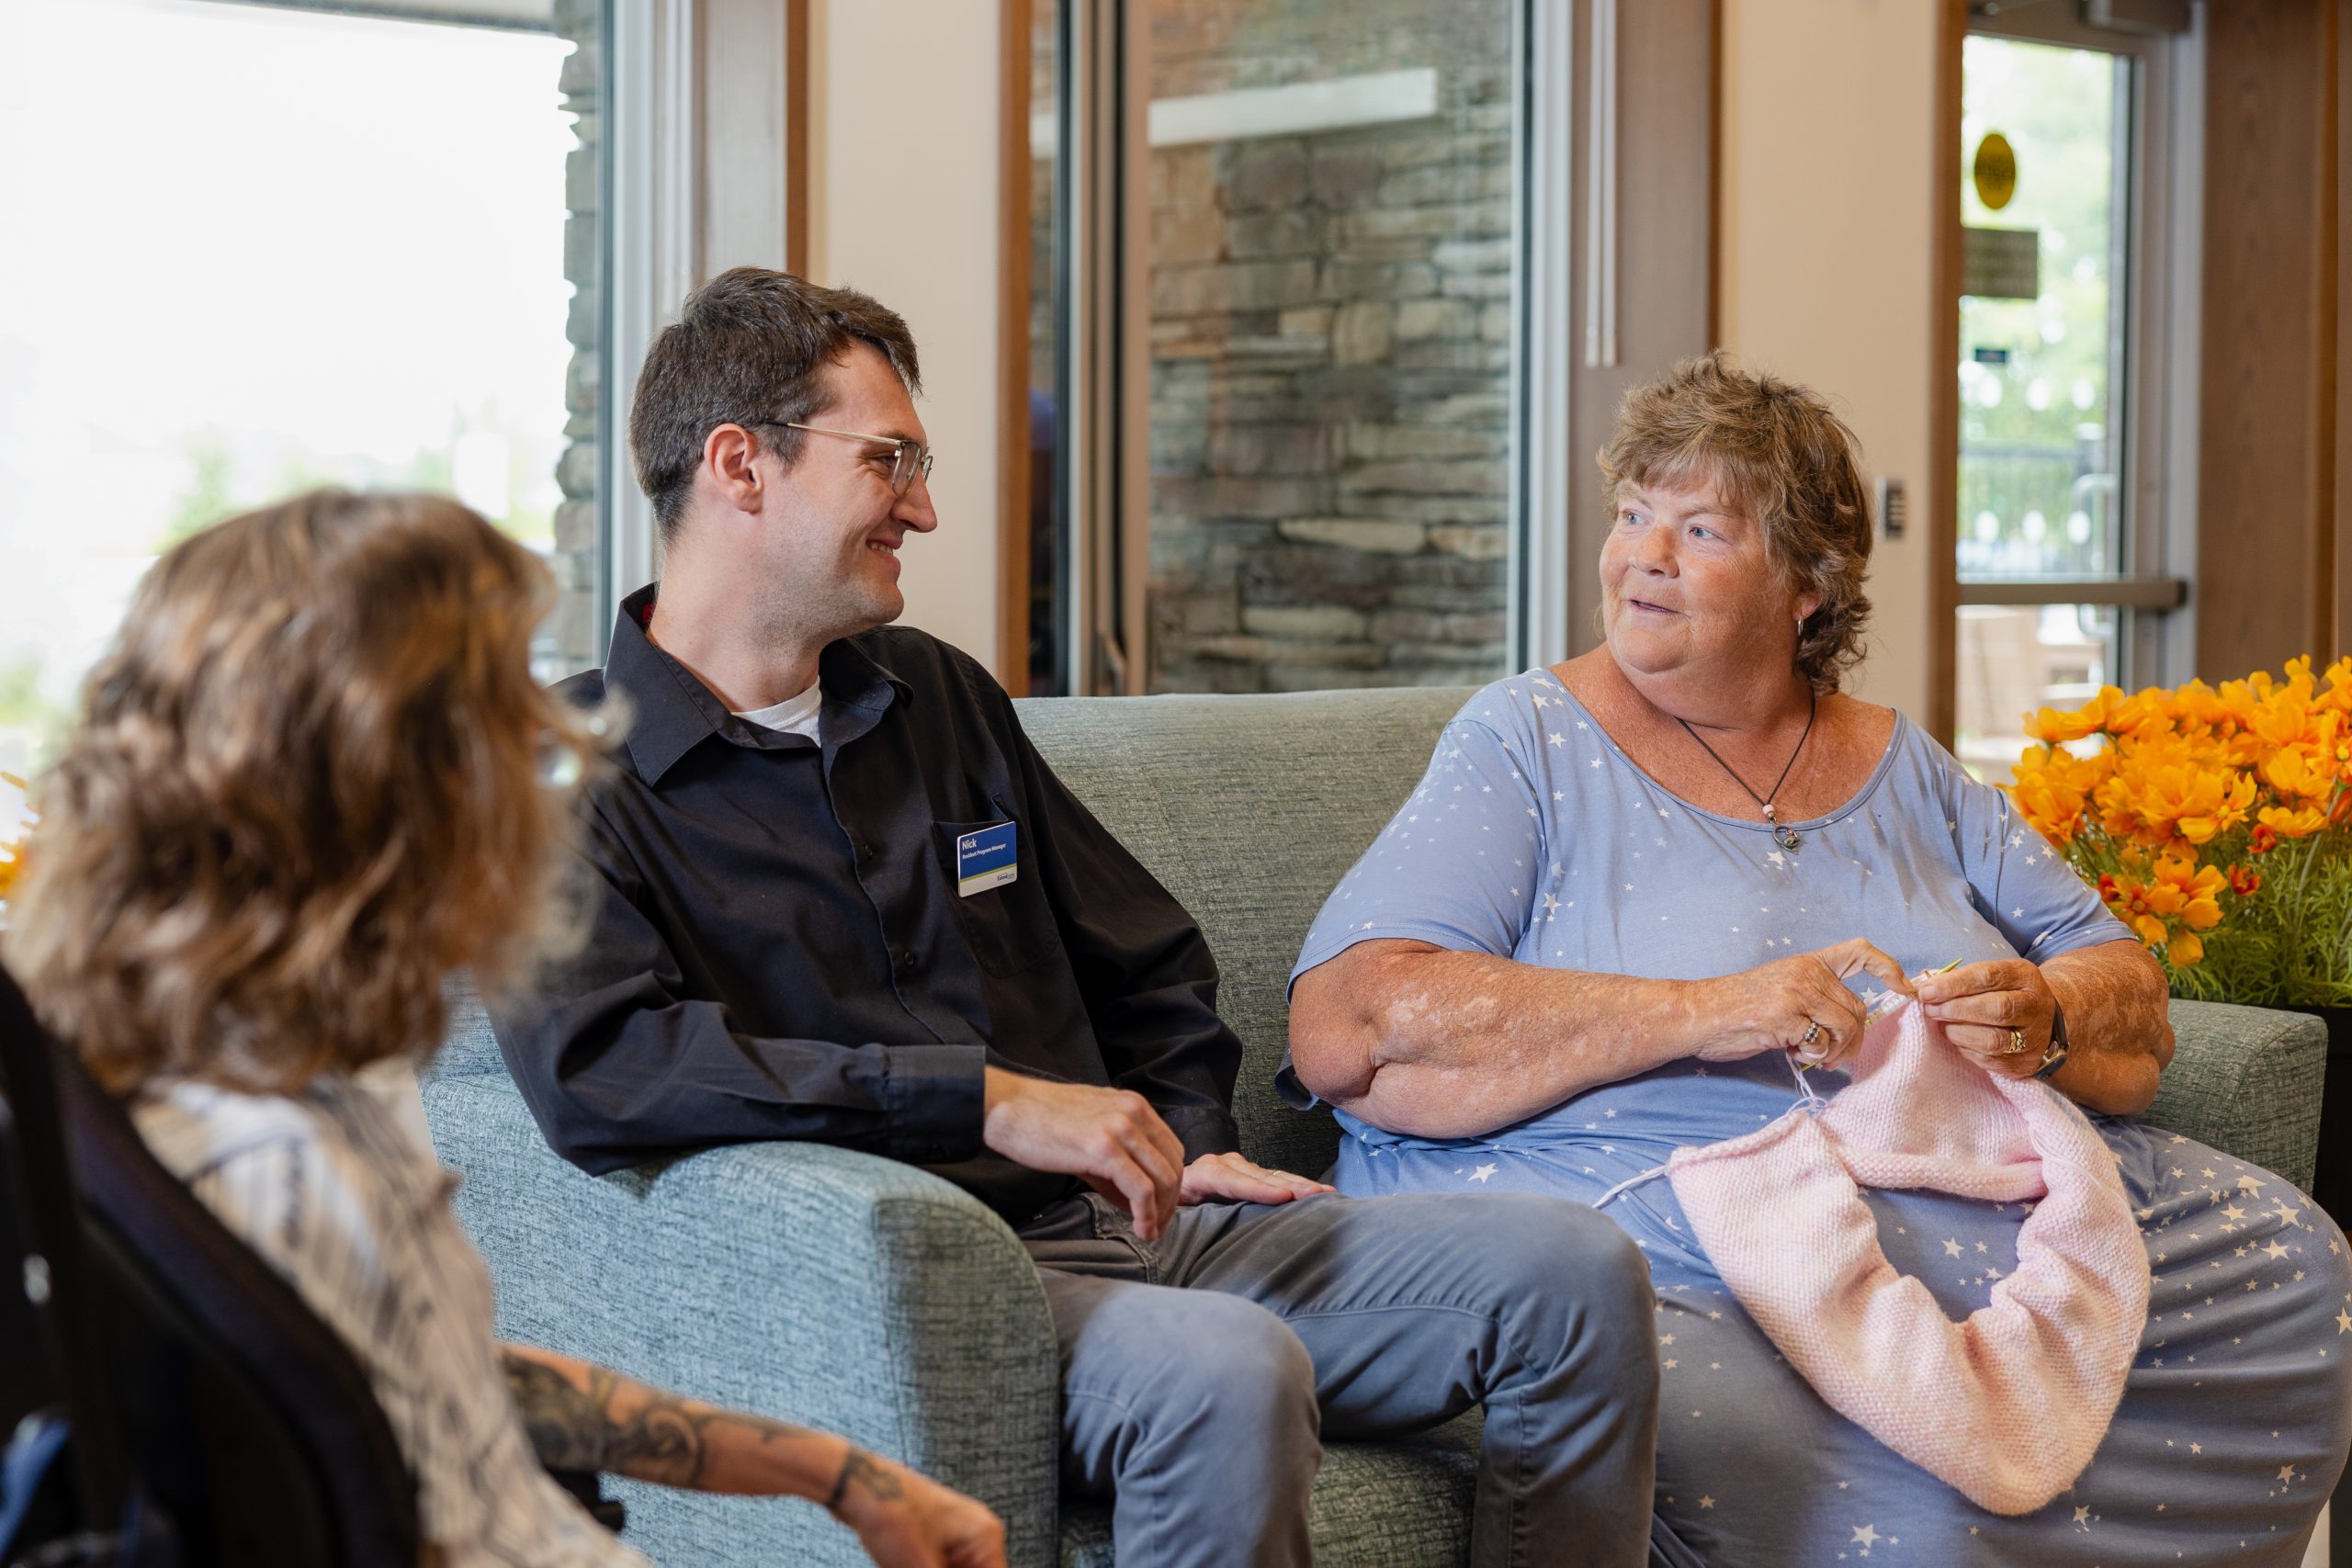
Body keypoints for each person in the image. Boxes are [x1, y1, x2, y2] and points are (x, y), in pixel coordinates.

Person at [487, 265, 1662, 1568]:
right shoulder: (560, 773)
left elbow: (1150, 961)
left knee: (1578, 1272)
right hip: (936, 1287)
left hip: (1145, 1230)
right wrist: (977, 1095)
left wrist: (1195, 1140)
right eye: (890, 460)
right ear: (738, 465)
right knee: (1228, 1367)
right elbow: (607, 1072)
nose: (923, 507)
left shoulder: (935, 696)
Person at [1285, 352, 2352, 1566]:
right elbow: (1352, 1019)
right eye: (1633, 513)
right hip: (1664, 1205)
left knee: (2295, 1260)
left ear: (1808, 584)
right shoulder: (1528, 739)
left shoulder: (1908, 765)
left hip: (1939, 1183)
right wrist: (1712, 1007)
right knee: (1905, 1459)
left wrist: (2044, 1010)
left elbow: (2125, 984)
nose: (1644, 552)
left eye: (1699, 527)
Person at [5, 491, 1006, 1568]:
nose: (553, 747)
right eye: (506, 717)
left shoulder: (213, 1082)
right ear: (389, 784)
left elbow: (437, 1378)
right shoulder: (288, 1172)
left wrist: (836, 1473)